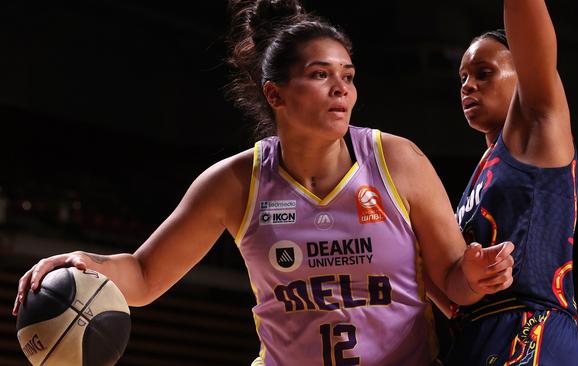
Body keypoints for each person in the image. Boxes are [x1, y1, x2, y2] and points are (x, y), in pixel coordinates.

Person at [13, 1, 515, 365]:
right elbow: (144, 276)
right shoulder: (236, 183)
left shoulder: (396, 160)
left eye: (348, 74)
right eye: (320, 74)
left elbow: (453, 284)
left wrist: (474, 274)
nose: (341, 87)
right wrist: (88, 264)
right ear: (275, 94)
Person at [442, 0, 578, 364]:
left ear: (522, 72)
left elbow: (526, 16)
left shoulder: (539, 124)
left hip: (530, 328)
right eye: (462, 77)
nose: (468, 85)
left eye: (483, 72)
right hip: (475, 334)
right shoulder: (482, 170)